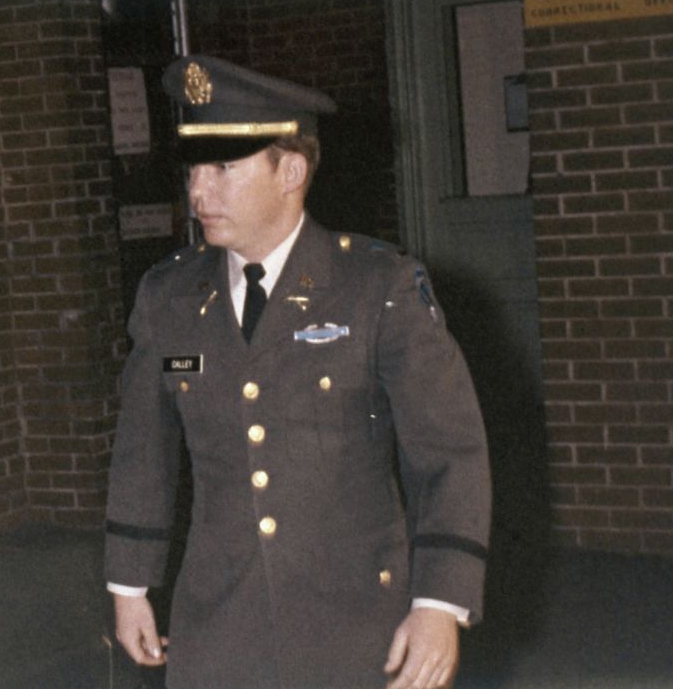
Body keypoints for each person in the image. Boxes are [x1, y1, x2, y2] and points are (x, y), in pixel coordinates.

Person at [104, 55, 491, 689]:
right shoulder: (169, 296)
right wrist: (130, 584)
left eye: (223, 168)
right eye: (195, 169)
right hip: (217, 625)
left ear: (290, 171)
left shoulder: (377, 288)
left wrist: (438, 605)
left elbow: (448, 456)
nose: (198, 192)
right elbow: (143, 450)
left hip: (357, 624)